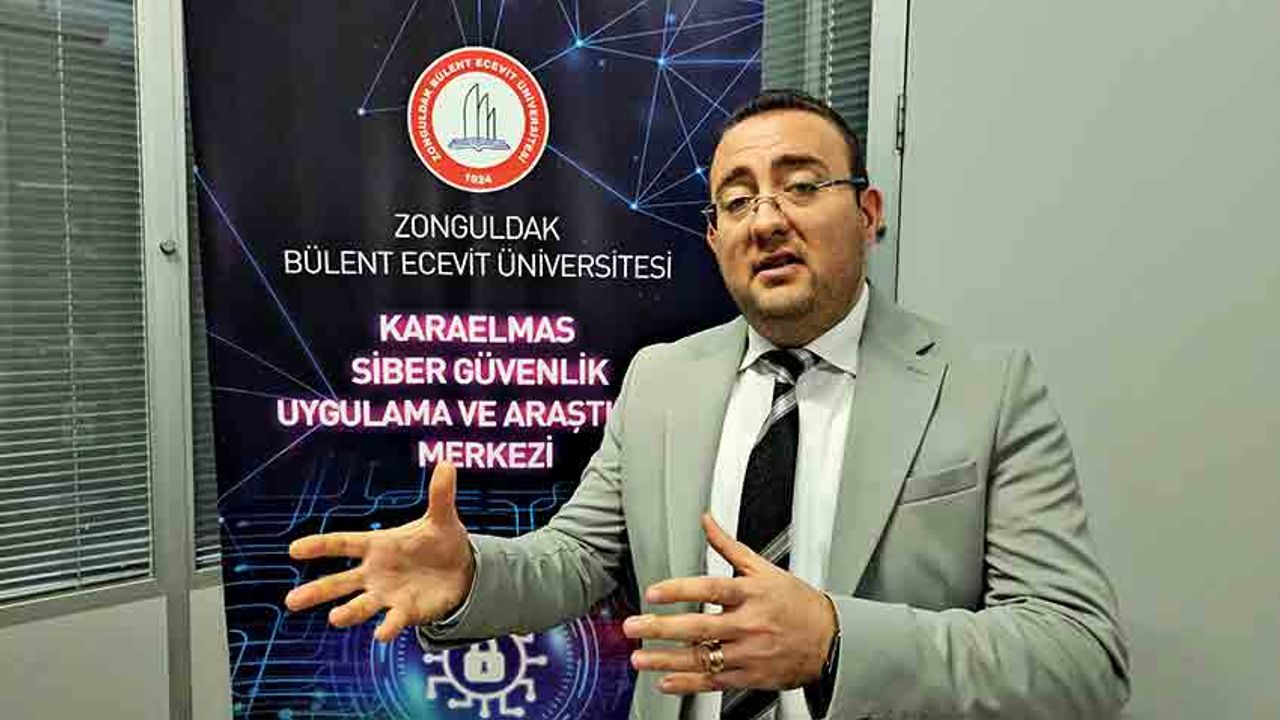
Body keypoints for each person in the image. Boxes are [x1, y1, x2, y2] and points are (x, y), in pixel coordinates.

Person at [285, 89, 1130, 719]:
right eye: (737, 200)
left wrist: (835, 641)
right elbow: (577, 560)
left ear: (868, 213)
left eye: (801, 186)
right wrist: (472, 575)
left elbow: (1081, 656)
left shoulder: (986, 388)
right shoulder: (661, 379)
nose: (766, 220)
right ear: (714, 237)